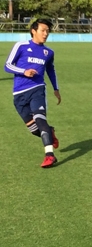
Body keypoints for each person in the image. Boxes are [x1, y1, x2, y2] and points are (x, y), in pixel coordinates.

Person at [4, 18, 61, 168]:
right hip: (19, 94)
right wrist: (24, 71)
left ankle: (49, 155)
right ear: (33, 31)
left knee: (40, 120)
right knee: (34, 129)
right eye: (43, 30)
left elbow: (51, 70)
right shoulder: (21, 46)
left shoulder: (48, 52)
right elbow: (7, 65)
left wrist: (56, 88)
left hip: (37, 89)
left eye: (48, 31)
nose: (46, 33)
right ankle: (50, 132)